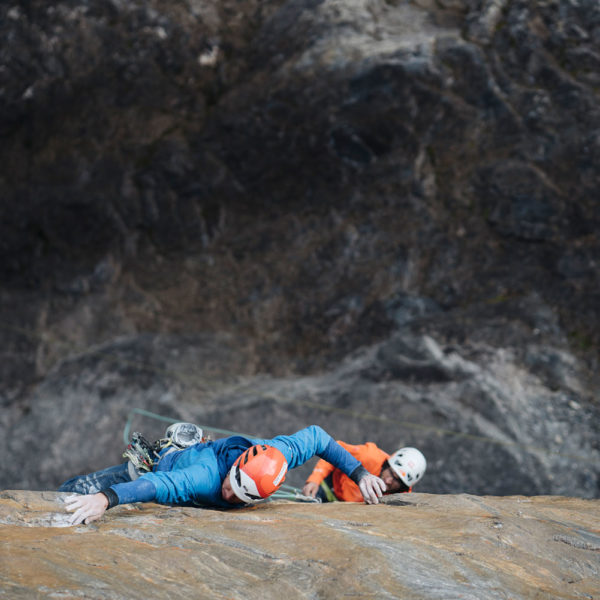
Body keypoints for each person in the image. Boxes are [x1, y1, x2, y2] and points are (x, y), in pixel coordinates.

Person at [59, 424, 387, 525]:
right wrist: (105, 498)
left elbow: (317, 437)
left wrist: (361, 475)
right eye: (232, 486)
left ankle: (187, 443)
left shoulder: (278, 454)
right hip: (164, 467)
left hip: (207, 456)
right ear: (236, 466)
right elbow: (157, 484)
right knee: (70, 492)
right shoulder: (204, 477)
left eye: (241, 496)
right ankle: (171, 449)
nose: (229, 495)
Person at [302, 441, 426, 502]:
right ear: (387, 464)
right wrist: (315, 479)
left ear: (403, 487)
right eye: (391, 473)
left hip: (351, 510)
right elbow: (334, 450)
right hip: (333, 486)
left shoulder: (400, 497)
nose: (388, 481)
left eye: (397, 481)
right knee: (305, 503)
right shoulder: (369, 456)